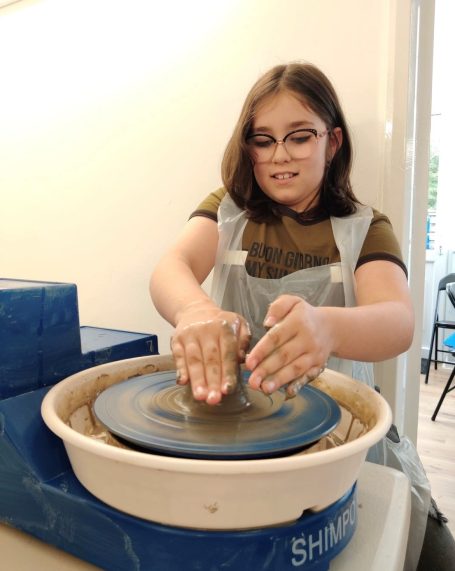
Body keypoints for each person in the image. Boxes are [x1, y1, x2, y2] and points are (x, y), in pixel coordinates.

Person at [150, 62, 414, 405]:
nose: (280, 155)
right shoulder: (229, 210)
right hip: (236, 411)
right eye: (262, 141)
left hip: (333, 418)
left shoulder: (366, 228)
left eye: (300, 137)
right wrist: (196, 310)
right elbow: (172, 265)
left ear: (332, 143)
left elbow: (398, 321)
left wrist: (327, 328)